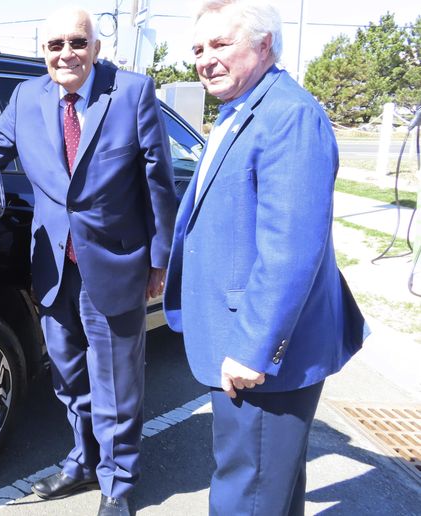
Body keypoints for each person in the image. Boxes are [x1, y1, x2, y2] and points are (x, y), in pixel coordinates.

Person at [0, 6, 177, 515]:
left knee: (118, 386)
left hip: (117, 264)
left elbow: (158, 181)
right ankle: (81, 461)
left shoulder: (132, 92)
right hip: (55, 268)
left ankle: (118, 483)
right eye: (55, 45)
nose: (66, 54)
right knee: (69, 377)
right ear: (43, 52)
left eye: (77, 43)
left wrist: (160, 260)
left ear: (96, 47)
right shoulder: (27, 97)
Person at [163, 1, 367, 514]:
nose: (204, 60)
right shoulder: (242, 109)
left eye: (219, 44)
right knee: (270, 492)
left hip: (257, 354)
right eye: (197, 49)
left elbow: (290, 249)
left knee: (247, 494)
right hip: (244, 343)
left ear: (263, 45)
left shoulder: (288, 115)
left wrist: (255, 348)